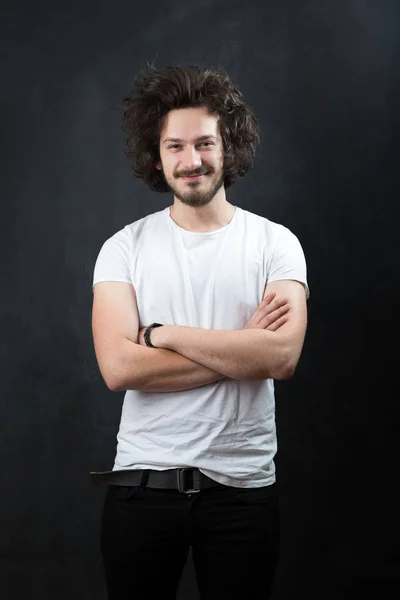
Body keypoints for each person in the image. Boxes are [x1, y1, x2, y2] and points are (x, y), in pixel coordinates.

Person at [91, 64, 309, 600]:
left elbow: (280, 357)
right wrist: (242, 350)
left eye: (205, 143)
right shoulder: (124, 247)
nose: (192, 161)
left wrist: (161, 334)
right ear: (156, 154)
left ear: (228, 144)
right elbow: (119, 369)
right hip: (142, 489)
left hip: (243, 493)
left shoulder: (276, 244)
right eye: (175, 147)